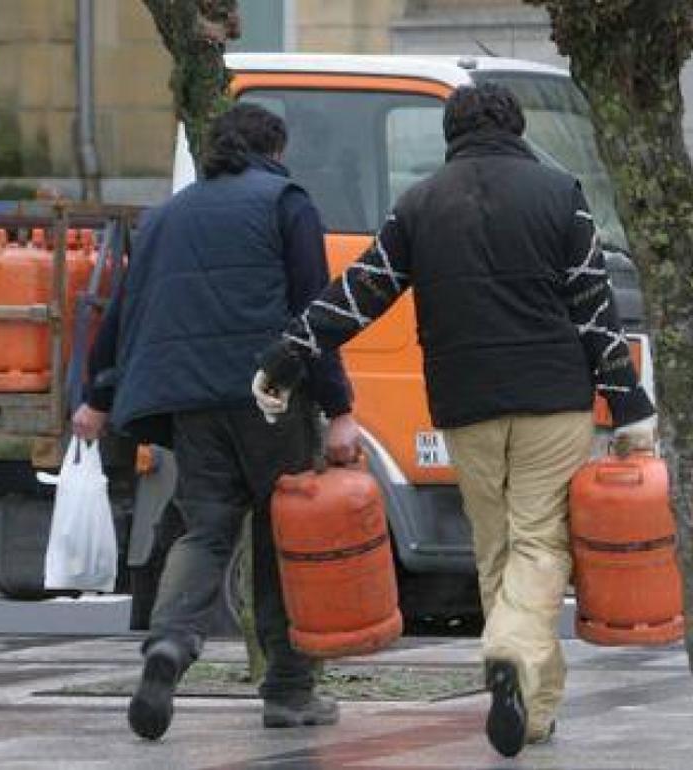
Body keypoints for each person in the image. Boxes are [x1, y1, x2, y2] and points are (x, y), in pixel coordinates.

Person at [254, 83, 657, 758]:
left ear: (450, 134)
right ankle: (506, 651)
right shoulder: (561, 195)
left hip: (464, 404)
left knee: (497, 549)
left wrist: (289, 353)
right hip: (552, 399)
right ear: (518, 127)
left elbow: (361, 290)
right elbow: (594, 310)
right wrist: (629, 406)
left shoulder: (419, 204)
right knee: (540, 545)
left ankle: (530, 712)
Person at [71, 103, 362, 740]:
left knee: (205, 531)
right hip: (272, 397)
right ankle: (288, 692)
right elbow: (316, 314)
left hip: (194, 405)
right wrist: (339, 408)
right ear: (274, 150)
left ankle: (170, 644)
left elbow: (122, 310)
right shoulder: (287, 202)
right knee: (285, 539)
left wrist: (95, 392)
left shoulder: (168, 215)